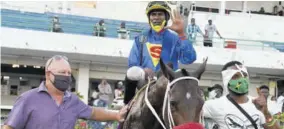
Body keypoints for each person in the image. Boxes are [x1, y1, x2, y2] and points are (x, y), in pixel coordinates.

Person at [3, 55, 127, 129]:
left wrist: (116, 115)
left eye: (69, 73)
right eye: (62, 73)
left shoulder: (72, 100)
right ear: (48, 74)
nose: (66, 76)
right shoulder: (28, 99)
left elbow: (93, 113)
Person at [123, 1, 197, 105]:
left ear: (166, 17)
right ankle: (127, 106)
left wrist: (181, 34)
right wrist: (143, 70)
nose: (156, 17)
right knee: (132, 72)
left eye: (160, 14)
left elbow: (190, 58)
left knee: (182, 74)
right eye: (153, 14)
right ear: (149, 18)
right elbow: (132, 63)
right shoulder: (141, 38)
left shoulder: (175, 38)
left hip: (168, 82)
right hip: (145, 81)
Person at [203, 61, 280, 129]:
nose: (242, 80)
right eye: (236, 76)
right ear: (227, 81)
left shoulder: (258, 104)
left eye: (244, 75)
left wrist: (266, 113)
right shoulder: (214, 105)